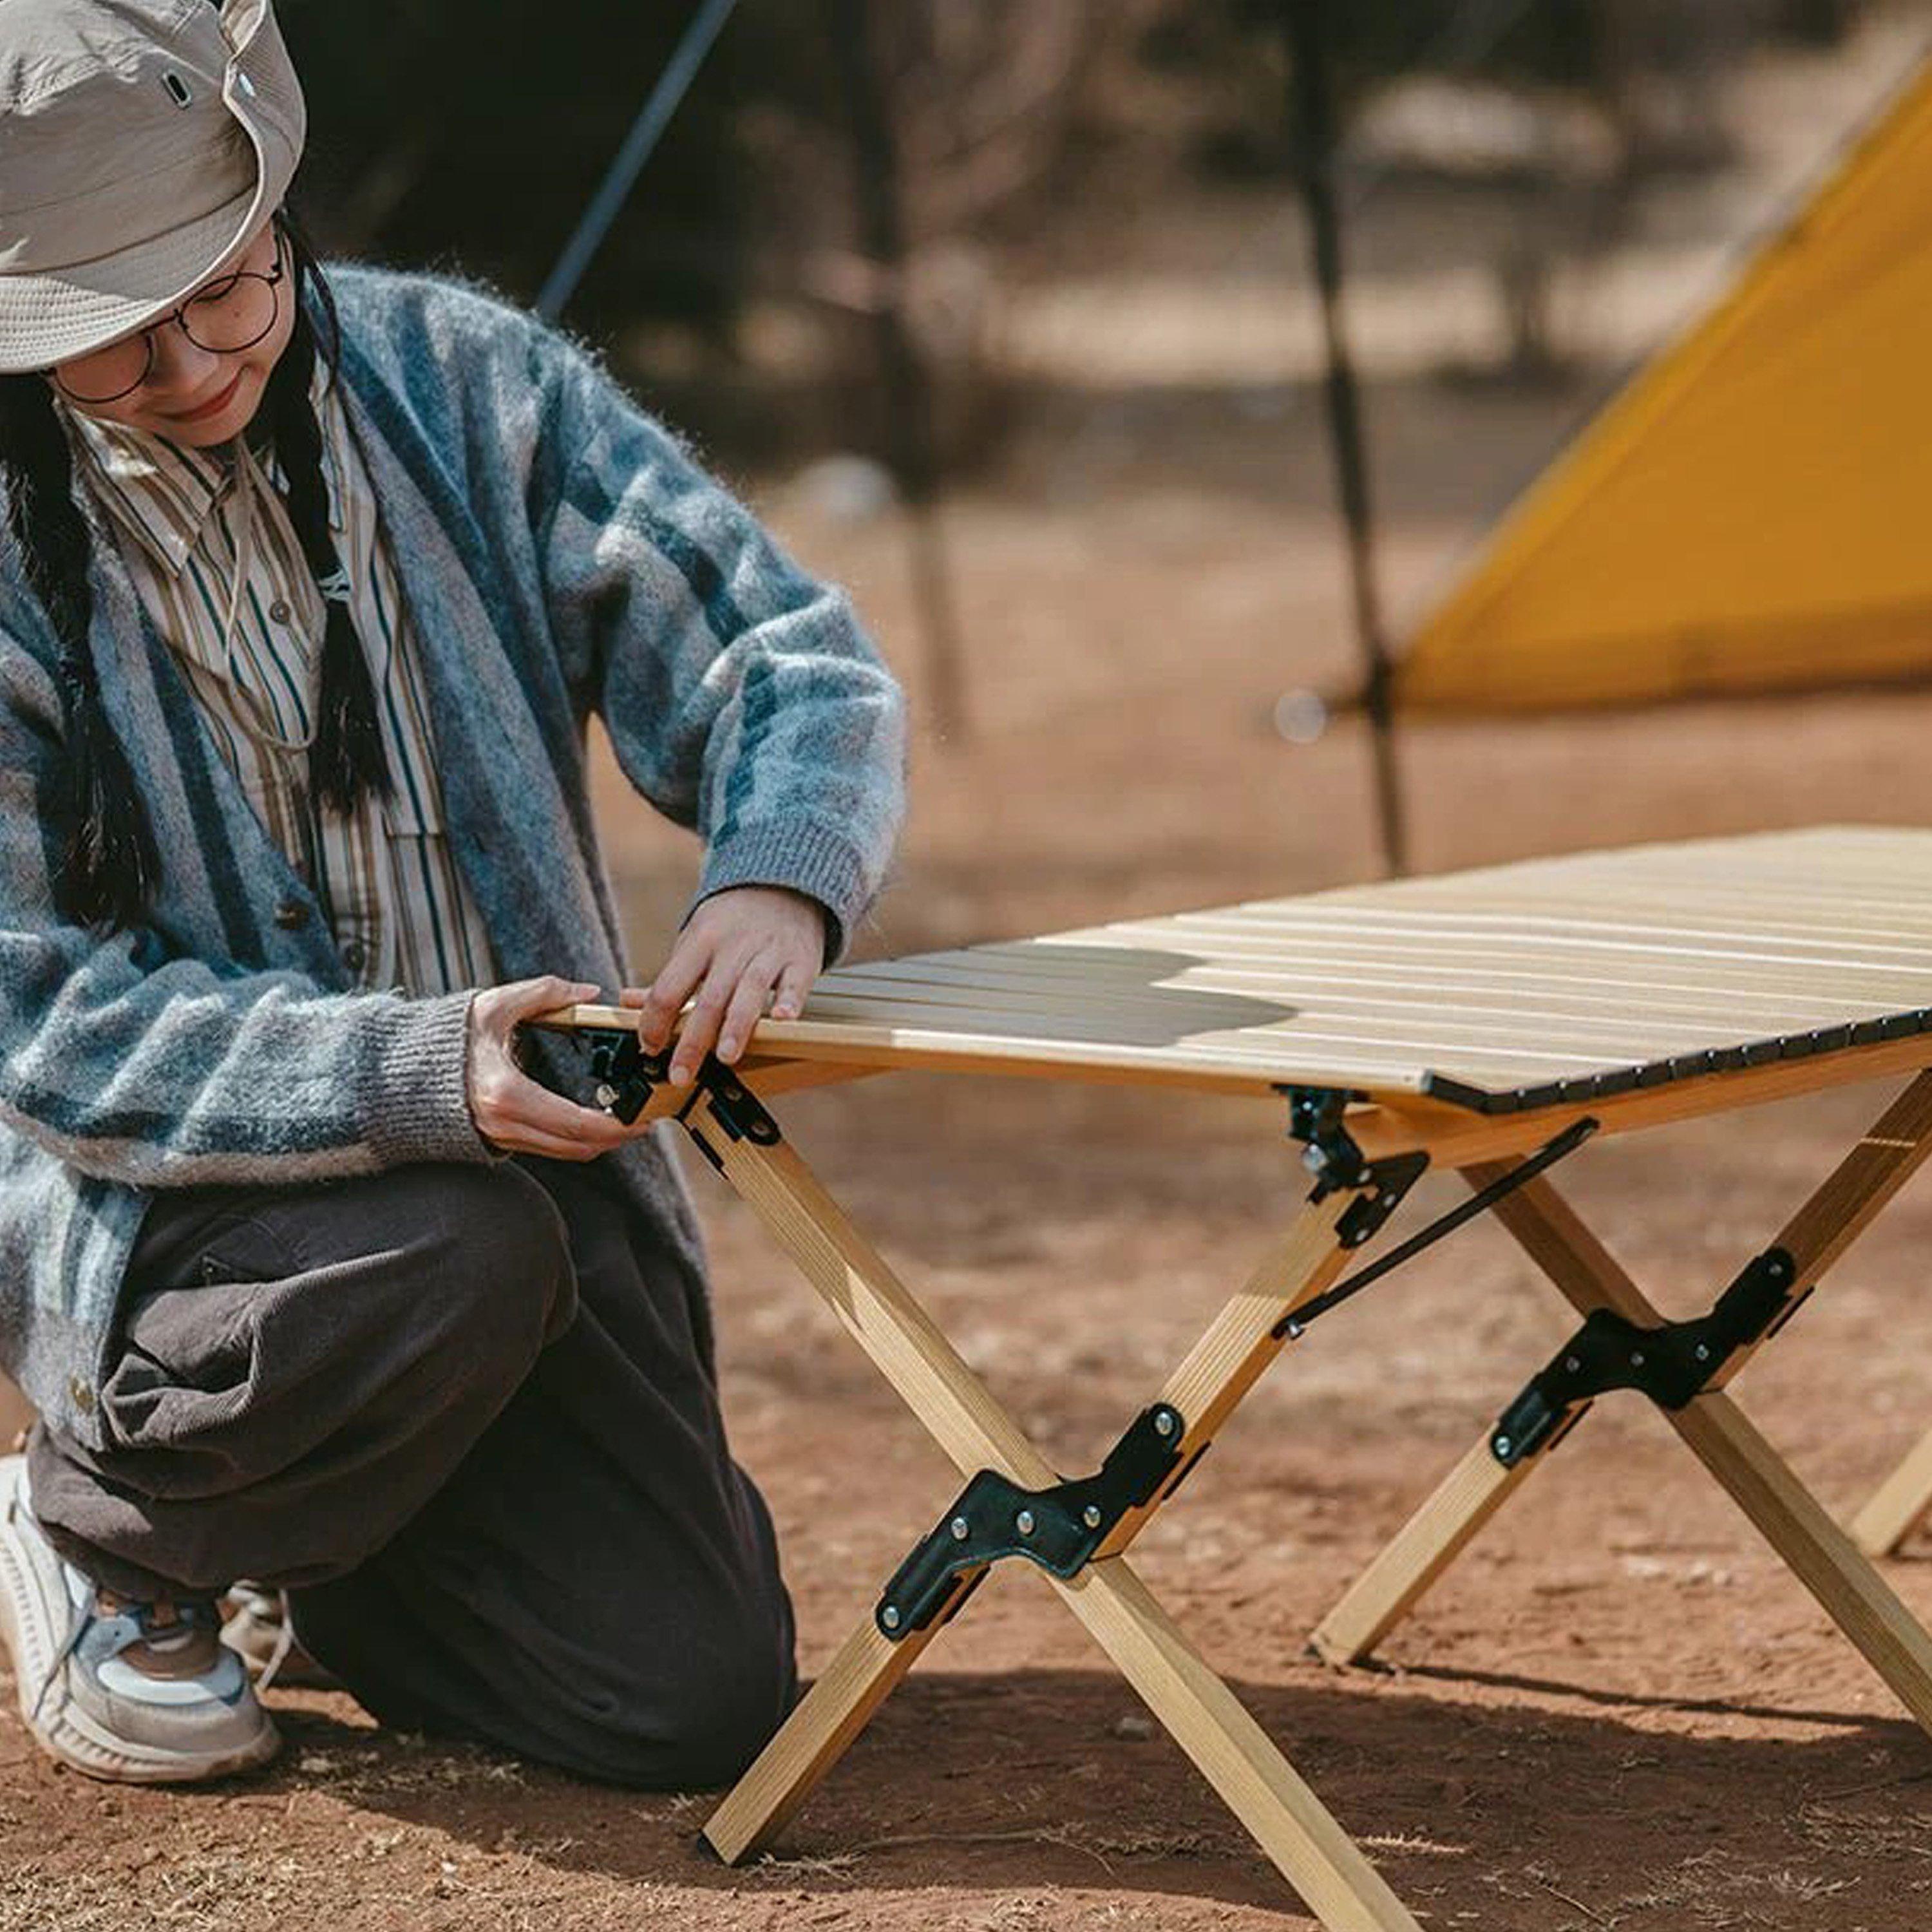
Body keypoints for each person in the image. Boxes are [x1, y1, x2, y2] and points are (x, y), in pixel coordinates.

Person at [0, 0, 907, 1786]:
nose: (190, 364)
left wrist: (774, 884)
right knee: (457, 1247)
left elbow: (789, 659)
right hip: (178, 1226)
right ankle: (107, 1527)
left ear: (279, 220)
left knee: (690, 1700)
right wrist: (410, 1073)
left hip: (540, 1194)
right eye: (110, 338)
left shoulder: (466, 383)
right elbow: (31, 1016)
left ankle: (316, 1539)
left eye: (228, 289)